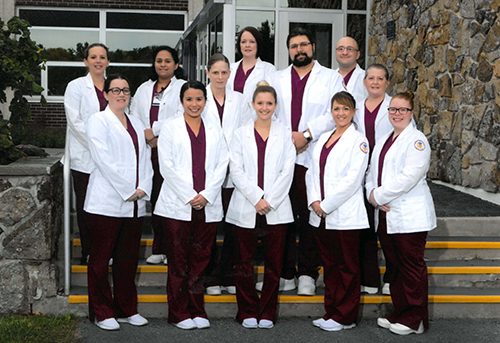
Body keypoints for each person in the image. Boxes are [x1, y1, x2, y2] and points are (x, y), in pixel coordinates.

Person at [268, 27, 339, 295]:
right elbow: (269, 112)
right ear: (288, 50)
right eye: (294, 46)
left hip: (314, 155)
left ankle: (308, 273)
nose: (299, 49)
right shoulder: (277, 78)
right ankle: (286, 273)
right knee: (284, 217)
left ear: (313, 47)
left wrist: (306, 135)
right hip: (284, 156)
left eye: (304, 44)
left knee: (311, 215)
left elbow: (335, 112)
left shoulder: (330, 78)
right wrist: (289, 139)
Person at [154, 81, 229, 330]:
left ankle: (197, 309)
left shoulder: (214, 128)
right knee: (178, 261)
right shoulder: (171, 127)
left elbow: (222, 163)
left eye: (199, 99)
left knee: (200, 260)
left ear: (205, 101)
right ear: (181, 101)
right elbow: (166, 166)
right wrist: (190, 195)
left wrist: (206, 195)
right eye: (189, 99)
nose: (194, 104)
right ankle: (178, 312)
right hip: (177, 204)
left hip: (207, 205)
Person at [85, 74, 153, 331]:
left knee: (127, 260)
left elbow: (145, 158)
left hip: (134, 204)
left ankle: (127, 309)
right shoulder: (98, 121)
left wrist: (143, 188)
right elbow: (103, 160)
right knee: (101, 260)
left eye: (125, 90)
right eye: (116, 90)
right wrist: (128, 189)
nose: (121, 94)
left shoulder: (136, 121)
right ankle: (102, 312)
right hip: (106, 203)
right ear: (106, 94)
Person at [366, 91, 436, 335]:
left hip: (409, 217)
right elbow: (371, 175)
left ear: (411, 113)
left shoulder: (417, 141)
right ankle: (400, 312)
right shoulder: (385, 139)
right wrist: (371, 194)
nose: (397, 113)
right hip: (385, 215)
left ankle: (414, 319)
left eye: (402, 110)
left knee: (411, 267)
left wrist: (379, 196)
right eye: (393, 109)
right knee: (394, 267)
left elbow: (409, 177)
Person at [226, 85, 295, 329]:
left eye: (269, 103)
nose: (265, 108)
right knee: (243, 262)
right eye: (260, 103)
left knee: (273, 264)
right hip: (246, 205)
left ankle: (267, 312)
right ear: (252, 105)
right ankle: (246, 311)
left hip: (276, 207)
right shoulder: (240, 133)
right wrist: (256, 198)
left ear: (275, 105)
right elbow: (236, 170)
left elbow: (288, 171)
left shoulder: (285, 133)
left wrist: (269, 200)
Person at [306, 91, 369, 332]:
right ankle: (331, 311)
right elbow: (312, 172)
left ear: (353, 112)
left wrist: (326, 205)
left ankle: (345, 317)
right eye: (336, 109)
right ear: (331, 112)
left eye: (345, 109)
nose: (340, 113)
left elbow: (352, 180)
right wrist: (314, 200)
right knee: (330, 265)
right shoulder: (323, 139)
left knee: (347, 268)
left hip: (345, 216)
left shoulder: (359, 141)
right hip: (321, 215)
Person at [130, 46, 187, 265]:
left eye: (167, 61)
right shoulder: (144, 88)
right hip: (148, 151)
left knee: (172, 199)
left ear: (176, 64)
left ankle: (174, 249)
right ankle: (159, 247)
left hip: (171, 151)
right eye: (159, 60)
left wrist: (153, 131)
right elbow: (134, 114)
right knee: (155, 200)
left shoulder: (182, 87)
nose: (162, 64)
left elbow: (181, 114)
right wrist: (147, 135)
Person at [203, 53, 246, 296]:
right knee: (209, 228)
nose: (220, 77)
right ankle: (210, 278)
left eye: (224, 72)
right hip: (207, 171)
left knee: (232, 228)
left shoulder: (239, 101)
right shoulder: (200, 97)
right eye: (215, 72)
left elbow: (245, 134)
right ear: (208, 73)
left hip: (233, 173)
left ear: (230, 74)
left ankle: (228, 274)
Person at [64, 43, 110, 265]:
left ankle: (106, 251)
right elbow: (74, 122)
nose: (98, 61)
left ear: (108, 61)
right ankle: (89, 252)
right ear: (86, 61)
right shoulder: (75, 86)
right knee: (85, 207)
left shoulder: (114, 85)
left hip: (110, 159)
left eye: (102, 57)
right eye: (93, 57)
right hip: (84, 157)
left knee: (107, 207)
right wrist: (97, 145)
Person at [354, 64, 393, 295]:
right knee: (365, 230)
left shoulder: (394, 107)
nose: (375, 82)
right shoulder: (356, 107)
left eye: (380, 78)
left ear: (387, 82)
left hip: (385, 176)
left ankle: (391, 278)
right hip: (360, 176)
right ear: (365, 81)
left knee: (388, 234)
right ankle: (368, 279)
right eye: (371, 78)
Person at [228, 26, 276, 121]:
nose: (247, 45)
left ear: (258, 44)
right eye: (243, 42)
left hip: (257, 122)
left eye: (252, 42)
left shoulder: (269, 69)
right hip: (232, 121)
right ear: (239, 45)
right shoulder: (230, 69)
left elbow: (271, 99)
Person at [334, 36, 367, 106]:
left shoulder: (367, 79)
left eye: (350, 49)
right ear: (336, 53)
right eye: (341, 49)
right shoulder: (328, 78)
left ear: (357, 55)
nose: (345, 52)